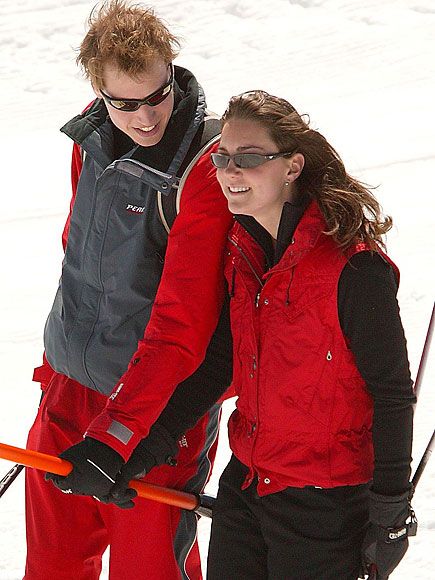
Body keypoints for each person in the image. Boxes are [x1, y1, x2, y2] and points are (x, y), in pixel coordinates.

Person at [25, 1, 233, 579]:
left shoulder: (205, 167)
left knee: (150, 571)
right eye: (124, 103)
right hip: (67, 389)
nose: (145, 117)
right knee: (52, 567)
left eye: (157, 96)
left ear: (172, 72)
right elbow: (77, 249)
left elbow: (183, 323)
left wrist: (121, 434)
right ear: (100, 93)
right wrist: (57, 367)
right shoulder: (89, 139)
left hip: (153, 410)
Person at [206, 90, 417, 580]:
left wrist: (389, 510)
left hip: (325, 505)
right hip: (248, 485)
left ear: (293, 166)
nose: (230, 171)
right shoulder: (245, 253)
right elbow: (218, 367)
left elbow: (391, 393)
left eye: (250, 158)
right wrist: (130, 451)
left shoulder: (354, 267)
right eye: (222, 157)